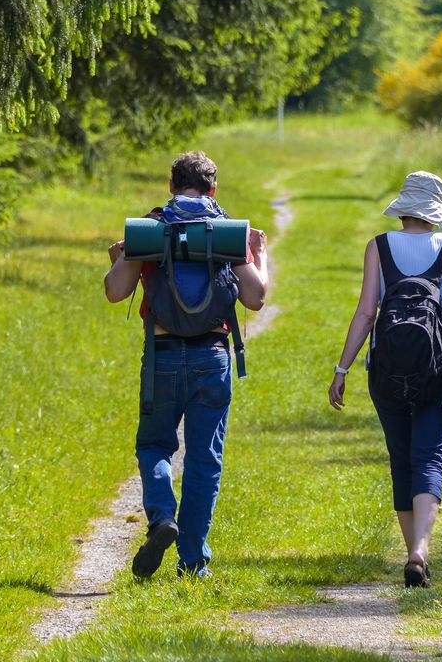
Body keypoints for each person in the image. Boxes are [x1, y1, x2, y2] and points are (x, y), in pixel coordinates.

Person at [328, 170, 442, 588]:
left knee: (401, 457)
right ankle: (419, 553)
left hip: (386, 369)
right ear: (436, 212)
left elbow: (366, 314)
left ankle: (413, 552)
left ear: (404, 210)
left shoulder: (378, 246)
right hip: (440, 369)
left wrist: (342, 369)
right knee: (429, 456)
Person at [104, 151, 269, 579]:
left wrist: (120, 259)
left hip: (161, 355)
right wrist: (259, 255)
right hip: (211, 356)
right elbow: (255, 297)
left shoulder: (152, 226)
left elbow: (115, 292)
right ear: (213, 189)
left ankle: (161, 518)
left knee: (155, 445)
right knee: (203, 459)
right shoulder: (228, 231)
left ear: (172, 187)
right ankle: (193, 562)